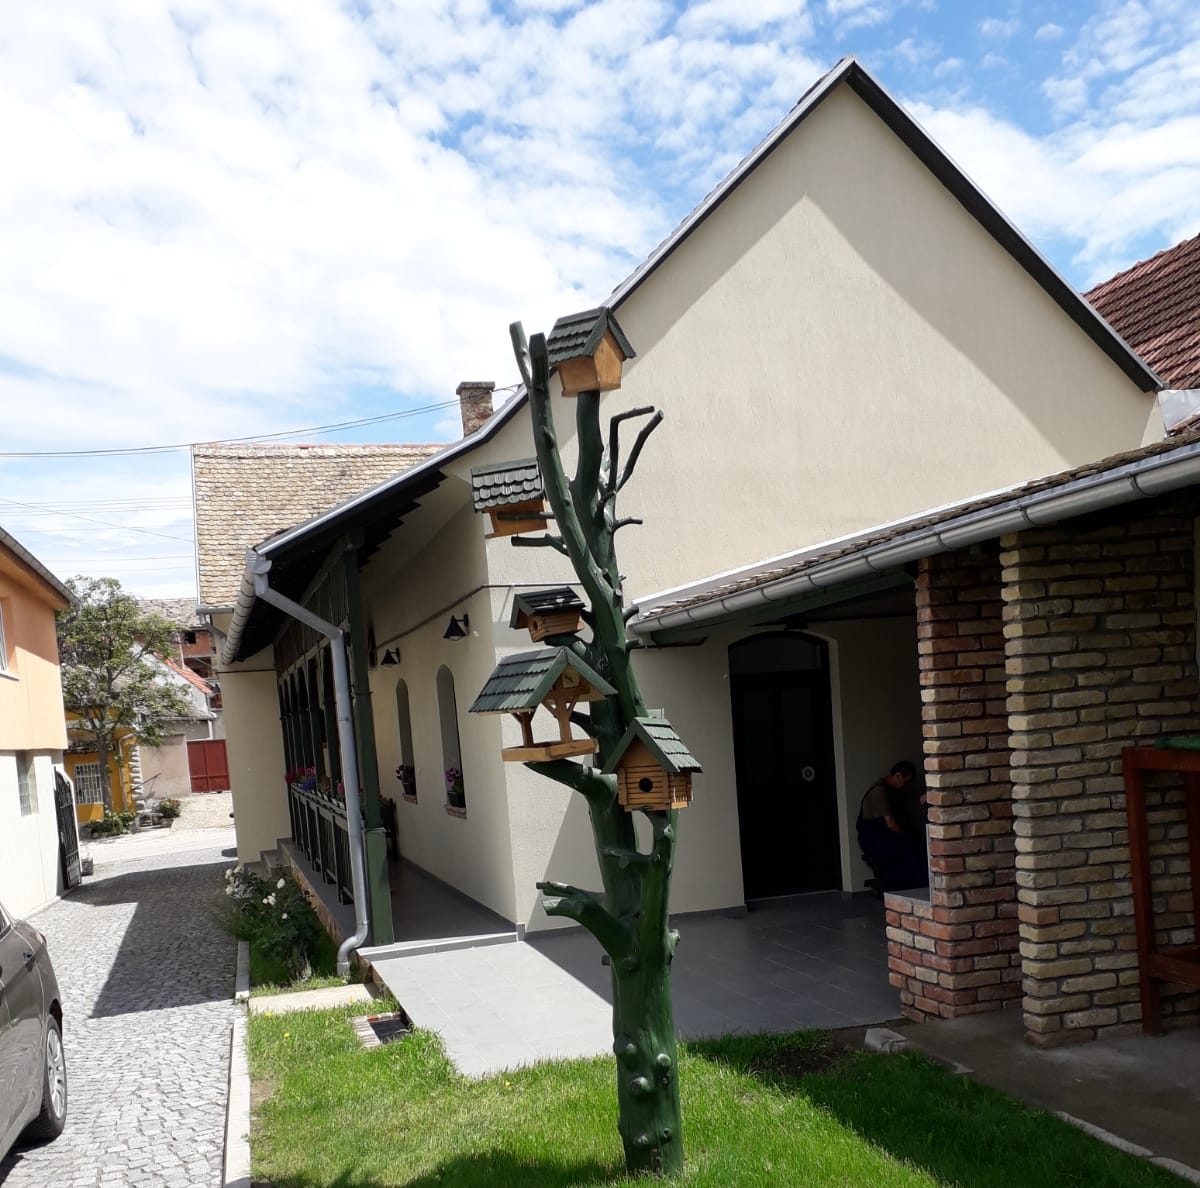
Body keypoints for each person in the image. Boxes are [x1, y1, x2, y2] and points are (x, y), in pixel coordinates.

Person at [857, 760, 928, 894]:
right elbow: (890, 822)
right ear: (897, 775)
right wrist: (904, 836)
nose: (903, 785)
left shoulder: (890, 791)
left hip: (883, 835)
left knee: (915, 843)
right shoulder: (878, 791)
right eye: (903, 782)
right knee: (906, 847)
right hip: (873, 838)